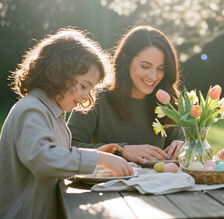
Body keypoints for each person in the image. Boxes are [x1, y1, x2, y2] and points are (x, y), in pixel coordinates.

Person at [0, 28, 134, 219]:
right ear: (57, 73)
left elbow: (58, 164)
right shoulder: (32, 110)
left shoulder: (54, 115)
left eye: (91, 88)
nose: (87, 95)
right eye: (84, 85)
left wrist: (95, 158)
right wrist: (98, 159)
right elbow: (43, 159)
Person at [68, 25, 184, 164]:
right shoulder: (95, 98)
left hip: (158, 184)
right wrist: (121, 150)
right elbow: (70, 147)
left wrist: (183, 145)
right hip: (107, 183)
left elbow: (187, 143)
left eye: (160, 69)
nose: (153, 76)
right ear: (125, 60)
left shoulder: (165, 102)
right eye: (145, 66)